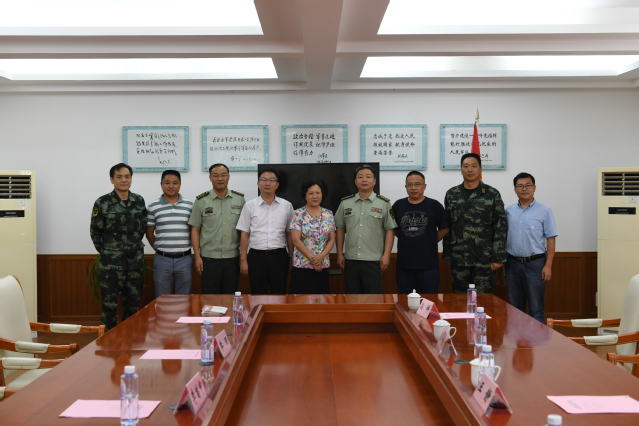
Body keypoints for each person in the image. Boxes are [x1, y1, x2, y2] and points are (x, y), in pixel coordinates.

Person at [90, 163, 147, 329]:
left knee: (133, 304)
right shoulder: (102, 202)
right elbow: (95, 232)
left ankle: (130, 337)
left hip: (134, 263)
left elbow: (142, 228)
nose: (124, 180)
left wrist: (131, 248)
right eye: (119, 177)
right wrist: (110, 252)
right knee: (109, 306)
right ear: (112, 180)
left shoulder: (139, 201)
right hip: (111, 265)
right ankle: (108, 339)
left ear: (131, 178)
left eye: (127, 176)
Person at [443, 153, 507, 294]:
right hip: (459, 258)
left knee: (484, 300)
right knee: (459, 299)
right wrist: (447, 254)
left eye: (474, 166)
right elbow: (448, 226)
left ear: (480, 169)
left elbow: (500, 226)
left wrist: (498, 257)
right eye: (466, 166)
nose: (470, 169)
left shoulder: (492, 194)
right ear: (461, 169)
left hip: (484, 258)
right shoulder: (452, 194)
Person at [335, 164, 397, 293]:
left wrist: (386, 255)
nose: (364, 180)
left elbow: (390, 230)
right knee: (352, 298)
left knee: (373, 299)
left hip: (374, 260)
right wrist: (340, 253)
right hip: (351, 260)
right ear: (355, 181)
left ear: (374, 181)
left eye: (368, 177)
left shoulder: (383, 203)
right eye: (360, 177)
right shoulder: (345, 203)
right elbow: (340, 228)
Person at [505, 172, 557, 323]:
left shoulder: (545, 210)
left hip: (536, 264)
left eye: (528, 185)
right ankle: (518, 338)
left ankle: (537, 339)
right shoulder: (509, 211)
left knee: (536, 308)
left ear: (534, 188)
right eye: (520, 186)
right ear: (515, 189)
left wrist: (548, 265)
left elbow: (551, 239)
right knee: (515, 307)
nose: (524, 189)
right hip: (512, 264)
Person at [188, 163, 245, 294]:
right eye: (215, 175)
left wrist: (243, 257)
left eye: (223, 175)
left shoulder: (239, 200)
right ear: (210, 178)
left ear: (228, 177)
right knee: (210, 297)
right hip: (208, 259)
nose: (220, 178)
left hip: (232, 258)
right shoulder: (201, 200)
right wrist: (197, 256)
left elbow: (244, 231)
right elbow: (195, 230)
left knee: (230, 296)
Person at [237, 168, 293, 294]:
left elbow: (289, 234)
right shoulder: (249, 205)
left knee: (279, 292)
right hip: (256, 257)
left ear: (277, 184)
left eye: (272, 180)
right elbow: (244, 234)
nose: (267, 183)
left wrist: (292, 256)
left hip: (279, 256)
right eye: (263, 180)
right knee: (257, 293)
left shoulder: (287, 206)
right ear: (258, 183)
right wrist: (243, 260)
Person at [392, 171, 448, 294]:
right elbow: (393, 229)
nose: (413, 188)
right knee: (405, 301)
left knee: (428, 301)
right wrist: (407, 237)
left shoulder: (434, 205)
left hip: (429, 265)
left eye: (417, 184)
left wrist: (431, 239)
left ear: (424, 186)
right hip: (404, 265)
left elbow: (444, 228)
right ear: (406, 187)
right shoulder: (398, 205)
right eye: (409, 185)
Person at [146, 170, 193, 296]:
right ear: (161, 184)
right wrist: (160, 249)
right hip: (162, 259)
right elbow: (149, 234)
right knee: (162, 298)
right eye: (167, 183)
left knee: (183, 297)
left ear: (180, 184)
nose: (171, 186)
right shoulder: (153, 206)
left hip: (185, 259)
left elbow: (193, 231)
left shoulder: (190, 205)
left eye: (175, 183)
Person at [289, 181, 336, 293]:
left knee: (322, 300)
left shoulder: (328, 214)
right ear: (305, 196)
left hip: (322, 265)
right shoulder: (298, 214)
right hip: (302, 265)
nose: (315, 196)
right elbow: (295, 240)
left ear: (322, 194)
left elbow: (332, 239)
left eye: (317, 193)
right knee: (300, 300)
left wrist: (321, 257)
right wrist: (313, 259)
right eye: (311, 193)